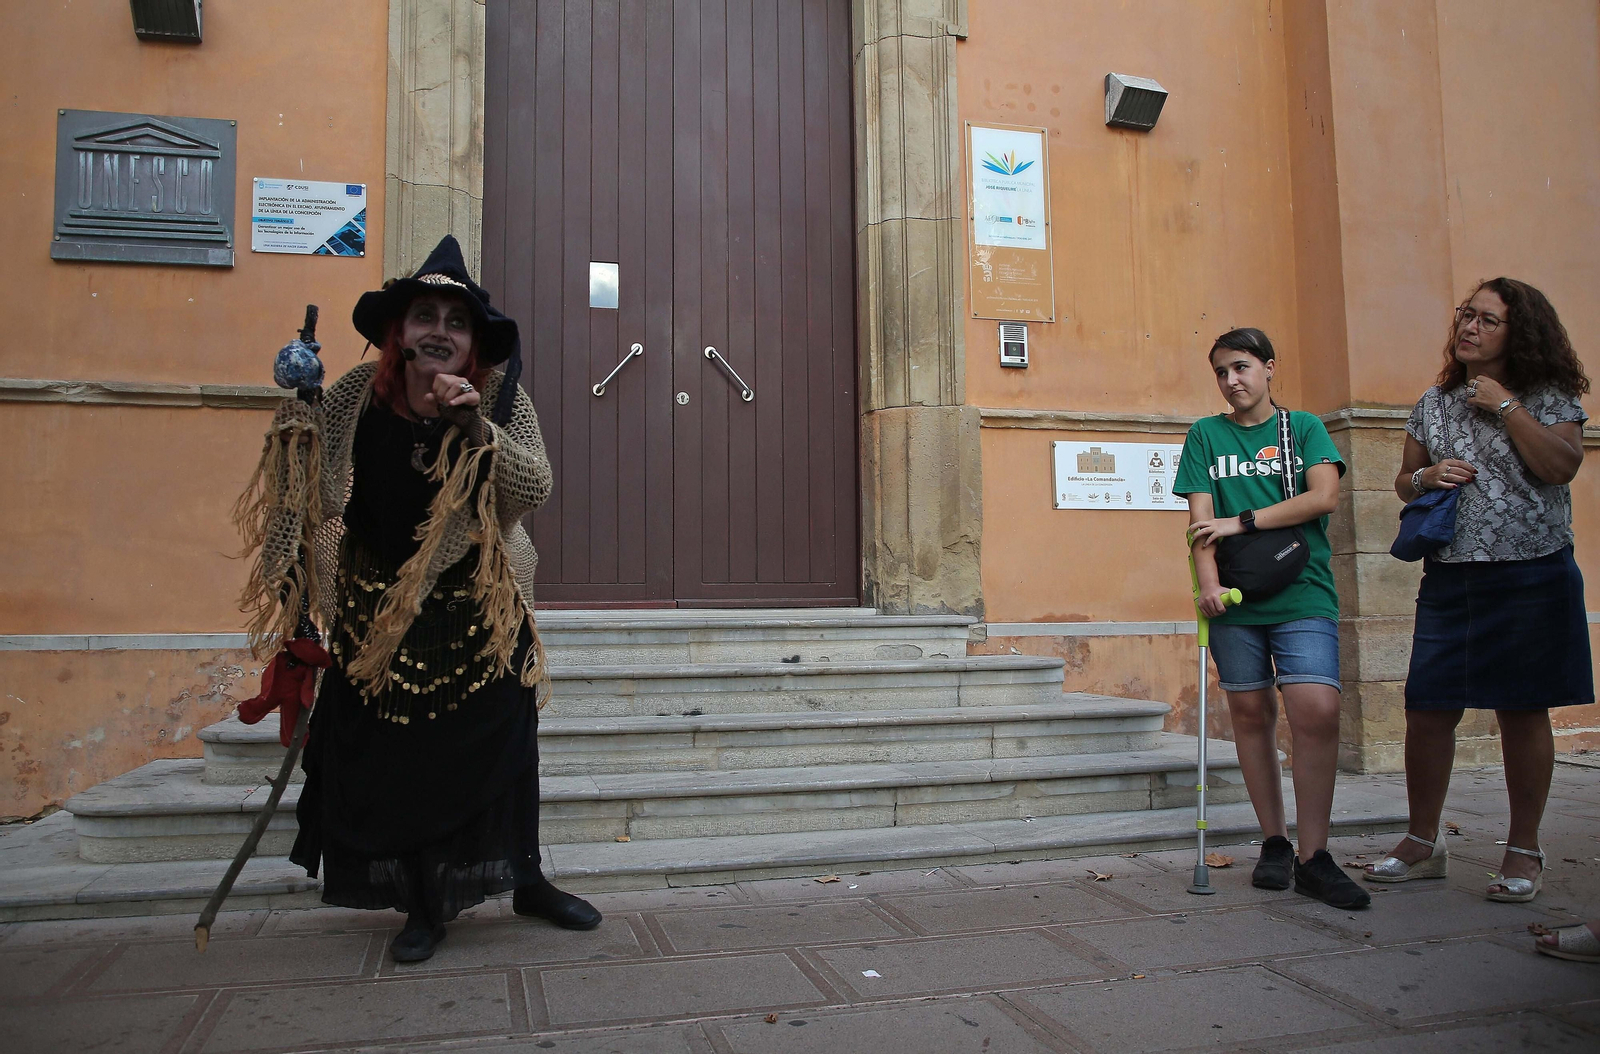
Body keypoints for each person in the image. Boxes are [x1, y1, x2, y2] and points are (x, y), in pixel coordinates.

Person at [235, 235, 600, 962]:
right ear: (397, 331)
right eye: (423, 314)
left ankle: (524, 880)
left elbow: (533, 488)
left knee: (505, 753)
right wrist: (295, 436)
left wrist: (473, 425)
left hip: (482, 607)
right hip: (378, 612)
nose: (439, 329)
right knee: (401, 760)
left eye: (456, 320)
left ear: (473, 343)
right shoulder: (349, 398)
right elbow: (306, 502)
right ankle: (424, 906)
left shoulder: (499, 398)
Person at [1364, 278, 1592, 902]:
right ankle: (1421, 841)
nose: (1470, 327)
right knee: (1427, 708)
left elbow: (1561, 466)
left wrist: (1505, 406)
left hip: (1531, 572)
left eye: (1487, 320)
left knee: (1523, 709)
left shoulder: (1551, 398)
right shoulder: (1434, 402)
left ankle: (1523, 850)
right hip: (1454, 574)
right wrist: (1426, 476)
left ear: (1521, 333)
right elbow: (1404, 481)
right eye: (1467, 315)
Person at [1176, 327, 1369, 909]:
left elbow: (1323, 497)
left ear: (1268, 368)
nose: (1231, 381)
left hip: (1302, 591)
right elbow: (1199, 521)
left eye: (1241, 368)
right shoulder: (1205, 436)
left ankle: (1316, 855)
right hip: (1235, 600)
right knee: (1251, 712)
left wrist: (1245, 521)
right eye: (1221, 372)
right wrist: (1208, 585)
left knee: (1317, 708)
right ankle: (1275, 842)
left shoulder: (1303, 429)